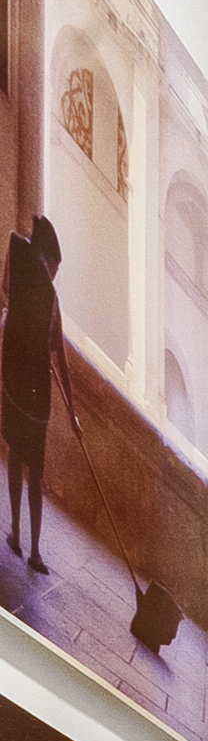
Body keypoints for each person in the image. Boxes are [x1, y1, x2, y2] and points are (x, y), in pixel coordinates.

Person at [2, 216, 80, 570]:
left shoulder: (23, 280)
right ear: (48, 259)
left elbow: (5, 287)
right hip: (36, 398)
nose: (53, 276)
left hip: (14, 384)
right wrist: (72, 413)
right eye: (55, 268)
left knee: (15, 456)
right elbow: (60, 357)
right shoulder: (50, 298)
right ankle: (33, 549)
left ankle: (16, 535)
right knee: (34, 469)